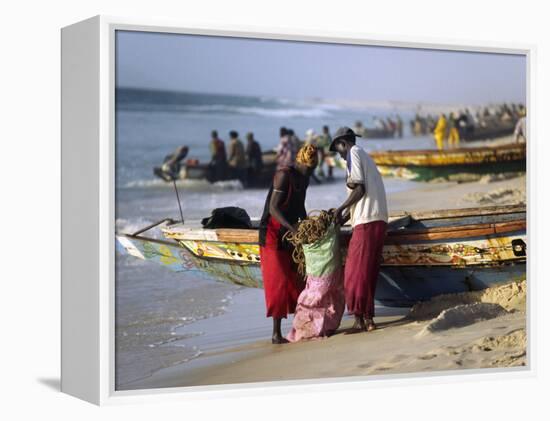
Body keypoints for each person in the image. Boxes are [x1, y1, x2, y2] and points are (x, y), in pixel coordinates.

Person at [330, 127, 388, 333]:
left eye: (338, 150)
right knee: (368, 272)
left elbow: (359, 189)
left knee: (354, 273)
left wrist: (340, 208)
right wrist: (343, 217)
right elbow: (363, 196)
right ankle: (368, 319)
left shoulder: (354, 153)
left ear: (343, 143)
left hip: (367, 222)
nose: (339, 155)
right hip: (377, 219)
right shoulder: (365, 157)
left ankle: (359, 320)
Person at [258, 144, 319, 344]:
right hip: (273, 234)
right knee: (279, 282)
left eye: (312, 170)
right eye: (307, 168)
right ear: (300, 163)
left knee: (297, 279)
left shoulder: (305, 178)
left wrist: (307, 226)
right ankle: (276, 334)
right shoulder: (283, 175)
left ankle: (299, 326)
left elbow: (300, 205)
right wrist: (292, 229)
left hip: (291, 234)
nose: (309, 173)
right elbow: (274, 208)